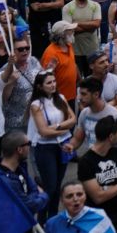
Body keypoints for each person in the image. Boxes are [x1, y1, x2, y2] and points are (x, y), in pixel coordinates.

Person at [27, 70, 77, 221]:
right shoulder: (36, 105)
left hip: (62, 146)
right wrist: (64, 129)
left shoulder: (60, 98)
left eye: (54, 81)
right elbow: (43, 132)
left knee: (57, 187)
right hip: (45, 148)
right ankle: (42, 221)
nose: (53, 84)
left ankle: (53, 219)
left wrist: (56, 127)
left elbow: (73, 119)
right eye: (49, 82)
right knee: (50, 187)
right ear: (40, 86)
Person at [78, 116, 117, 233]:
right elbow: (98, 197)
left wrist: (109, 189)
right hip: (101, 222)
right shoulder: (86, 162)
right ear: (111, 136)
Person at [67, 76, 117, 162]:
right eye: (79, 94)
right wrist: (71, 146)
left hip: (111, 165)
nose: (79, 98)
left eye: (84, 94)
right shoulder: (84, 113)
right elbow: (78, 139)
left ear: (96, 94)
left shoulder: (114, 115)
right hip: (93, 163)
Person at [0, 130, 49, 229]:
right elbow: (29, 206)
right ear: (20, 150)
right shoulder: (5, 181)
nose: (30, 146)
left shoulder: (20, 167)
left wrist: (31, 195)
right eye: (28, 144)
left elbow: (33, 188)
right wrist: (43, 196)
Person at [45, 182, 117, 233]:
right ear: (62, 200)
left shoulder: (100, 217)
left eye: (79, 194)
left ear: (85, 196)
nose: (75, 199)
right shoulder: (52, 223)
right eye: (69, 196)